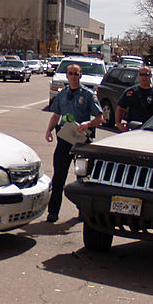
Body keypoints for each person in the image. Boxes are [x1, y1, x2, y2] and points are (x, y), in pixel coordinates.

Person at [43, 63, 103, 223]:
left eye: (76, 73)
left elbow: (100, 118)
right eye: (70, 73)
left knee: (83, 176)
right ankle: (53, 212)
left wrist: (87, 125)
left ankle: (83, 211)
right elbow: (56, 115)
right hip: (64, 138)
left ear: (80, 75)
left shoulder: (89, 95)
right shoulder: (62, 95)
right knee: (59, 176)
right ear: (67, 76)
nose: (73, 76)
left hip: (81, 140)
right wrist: (49, 130)